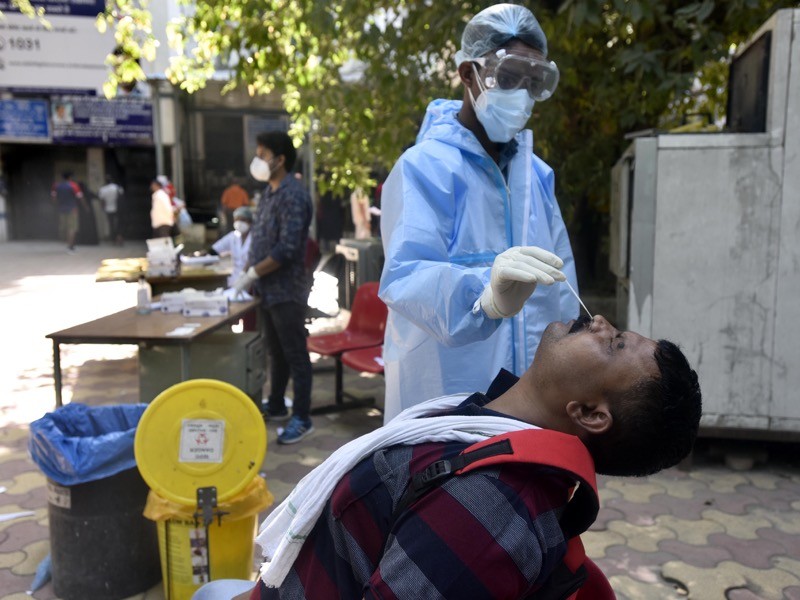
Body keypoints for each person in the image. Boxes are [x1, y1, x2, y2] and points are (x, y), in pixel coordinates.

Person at [194, 314, 702, 600]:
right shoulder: (481, 431)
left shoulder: (490, 510)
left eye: (612, 344)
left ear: (590, 413)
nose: (598, 322)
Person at [379, 4, 577, 423]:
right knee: (451, 484)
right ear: (468, 74)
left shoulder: (536, 176)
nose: (521, 95)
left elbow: (563, 278)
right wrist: (483, 298)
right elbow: (406, 276)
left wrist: (573, 350)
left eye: (532, 81)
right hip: (447, 388)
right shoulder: (424, 168)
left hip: (532, 394)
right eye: (507, 78)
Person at [233, 131, 314, 445]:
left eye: (263, 154)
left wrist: (253, 271)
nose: (258, 160)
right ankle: (278, 404)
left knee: (295, 354)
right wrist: (248, 269)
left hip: (287, 290)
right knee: (275, 352)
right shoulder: (269, 192)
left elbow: (288, 248)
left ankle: (303, 418)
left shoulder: (294, 195)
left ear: (280, 159)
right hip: (266, 289)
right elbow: (262, 237)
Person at [210, 206, 253, 286]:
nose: (239, 223)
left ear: (249, 222)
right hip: (234, 279)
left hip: (250, 279)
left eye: (243, 220)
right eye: (236, 219)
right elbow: (214, 250)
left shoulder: (256, 237)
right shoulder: (233, 236)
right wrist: (201, 254)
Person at [51, 171, 87, 253]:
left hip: (61, 209)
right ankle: (70, 246)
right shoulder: (74, 185)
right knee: (72, 228)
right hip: (72, 209)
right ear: (70, 177)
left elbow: (53, 198)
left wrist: (57, 206)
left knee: (64, 227)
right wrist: (85, 207)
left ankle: (69, 243)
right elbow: (80, 197)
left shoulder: (56, 186)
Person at [98, 175, 125, 245]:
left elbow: (102, 201)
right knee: (119, 223)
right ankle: (119, 236)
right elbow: (122, 196)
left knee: (111, 225)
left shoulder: (103, 189)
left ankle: (114, 239)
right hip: (118, 208)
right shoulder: (117, 187)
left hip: (108, 209)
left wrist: (102, 208)